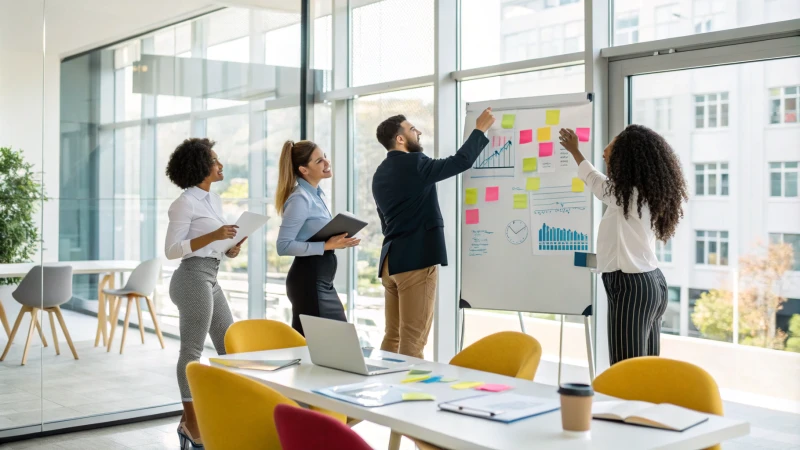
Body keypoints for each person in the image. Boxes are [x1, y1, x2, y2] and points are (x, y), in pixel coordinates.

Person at [559, 125, 688, 365]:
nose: (606, 152)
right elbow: (602, 182)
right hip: (650, 281)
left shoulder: (630, 195)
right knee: (644, 368)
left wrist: (576, 152)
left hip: (632, 284)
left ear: (627, 156)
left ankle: (629, 403)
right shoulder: (642, 193)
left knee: (625, 367)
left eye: (612, 148)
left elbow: (597, 183)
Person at [372, 108, 495, 358]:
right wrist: (479, 130)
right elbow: (460, 162)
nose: (418, 132)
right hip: (415, 262)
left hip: (390, 262)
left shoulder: (379, 174)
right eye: (412, 129)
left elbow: (385, 222)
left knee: (392, 335)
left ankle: (385, 388)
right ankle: (407, 395)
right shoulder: (415, 164)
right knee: (413, 339)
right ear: (400, 138)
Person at [164, 138, 245, 448]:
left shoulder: (214, 201)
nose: (220, 164)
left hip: (211, 275)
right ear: (201, 167)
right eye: (214, 160)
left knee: (230, 347)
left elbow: (215, 247)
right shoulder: (184, 203)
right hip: (190, 278)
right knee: (192, 352)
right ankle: (192, 423)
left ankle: (219, 413)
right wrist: (214, 235)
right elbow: (172, 250)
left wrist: (230, 248)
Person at [276, 140, 360, 336]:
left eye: (325, 157)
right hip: (309, 281)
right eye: (319, 161)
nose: (326, 163)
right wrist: (326, 245)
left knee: (321, 346)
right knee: (333, 342)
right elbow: (283, 246)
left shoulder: (316, 195)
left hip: (321, 281)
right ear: (304, 170)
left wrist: (335, 241)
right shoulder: (300, 199)